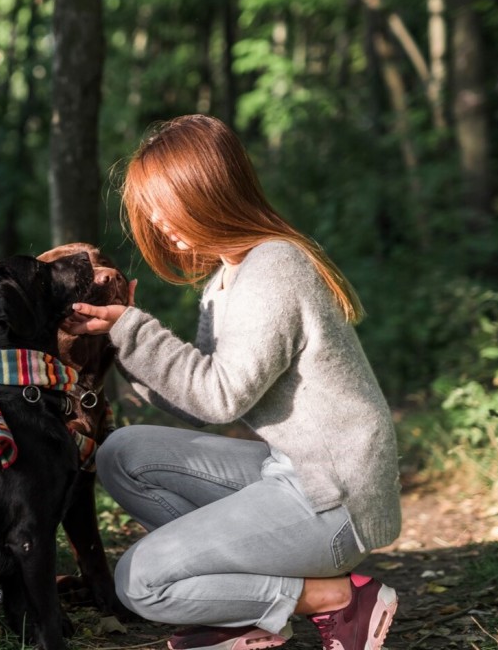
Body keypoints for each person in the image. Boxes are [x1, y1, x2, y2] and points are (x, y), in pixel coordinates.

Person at [63, 114, 401, 650]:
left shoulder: (275, 266)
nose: (154, 218)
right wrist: (120, 338)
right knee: (123, 453)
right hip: (288, 472)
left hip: (333, 499)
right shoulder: (227, 276)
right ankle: (240, 603)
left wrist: (132, 329)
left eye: (162, 202)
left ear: (205, 191)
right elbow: (198, 404)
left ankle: (336, 598)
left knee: (141, 581)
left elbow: (220, 396)